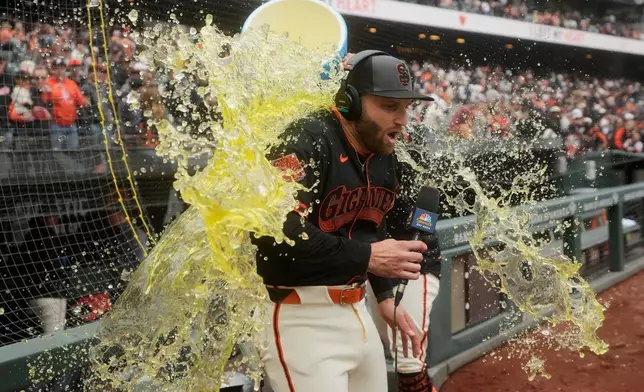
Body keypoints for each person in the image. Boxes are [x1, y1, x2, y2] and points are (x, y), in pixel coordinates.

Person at [252, 50, 435, 392]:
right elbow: (276, 232)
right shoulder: (304, 139)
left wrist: (383, 296)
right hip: (299, 319)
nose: (402, 120)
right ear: (349, 101)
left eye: (406, 108)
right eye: (389, 106)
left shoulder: (382, 152)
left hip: (357, 312)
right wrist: (368, 258)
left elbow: (370, 222)